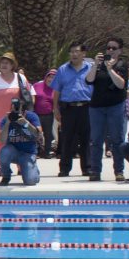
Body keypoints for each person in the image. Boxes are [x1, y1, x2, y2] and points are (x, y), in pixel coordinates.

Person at [86, 37, 128, 182]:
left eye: (113, 48)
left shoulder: (122, 65)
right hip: (97, 107)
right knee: (96, 140)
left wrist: (110, 69)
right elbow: (89, 80)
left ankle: (119, 171)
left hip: (115, 106)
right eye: (108, 48)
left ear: (120, 51)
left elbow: (121, 84)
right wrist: (95, 65)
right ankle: (95, 171)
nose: (110, 50)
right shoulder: (98, 66)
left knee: (117, 139)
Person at [0, 52, 34, 171]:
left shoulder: (21, 78)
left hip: (18, 117)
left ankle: (22, 167)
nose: (4, 65)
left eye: (7, 63)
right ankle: (2, 167)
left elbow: (27, 95)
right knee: (1, 143)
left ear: (12, 65)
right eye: (2, 63)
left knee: (20, 141)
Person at [51, 42, 94, 177]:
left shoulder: (91, 68)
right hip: (68, 109)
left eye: (77, 51)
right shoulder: (63, 70)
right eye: (72, 52)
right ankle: (64, 168)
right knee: (67, 139)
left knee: (86, 139)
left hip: (86, 108)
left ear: (83, 54)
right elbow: (57, 91)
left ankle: (87, 167)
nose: (74, 54)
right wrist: (55, 109)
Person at [0, 98, 43, 186]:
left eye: (17, 108)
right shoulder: (7, 118)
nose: (15, 111)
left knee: (30, 181)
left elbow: (38, 134)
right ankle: (6, 176)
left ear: (23, 109)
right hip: (13, 152)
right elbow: (2, 140)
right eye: (13, 108)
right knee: (3, 152)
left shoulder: (31, 116)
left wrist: (26, 123)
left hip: (28, 153)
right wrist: (7, 123)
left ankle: (32, 169)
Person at [33, 69, 56, 157]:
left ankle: (47, 152)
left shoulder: (56, 89)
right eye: (49, 77)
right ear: (46, 77)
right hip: (36, 114)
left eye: (54, 77)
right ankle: (36, 152)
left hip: (49, 115)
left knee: (48, 134)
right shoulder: (37, 85)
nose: (51, 79)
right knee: (36, 133)